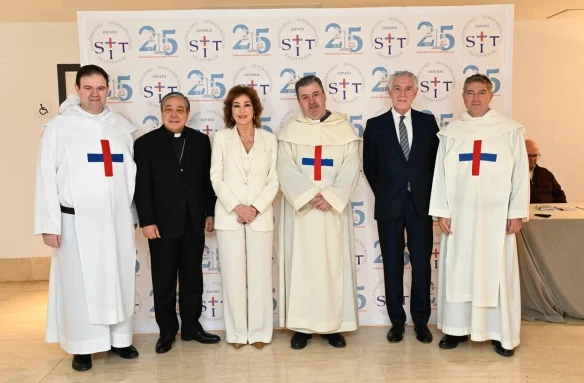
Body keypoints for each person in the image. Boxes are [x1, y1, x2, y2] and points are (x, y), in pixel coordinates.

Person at [34, 64, 139, 371]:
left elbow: (130, 177)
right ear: (77, 89)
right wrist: (49, 224)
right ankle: (83, 346)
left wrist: (132, 214)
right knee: (80, 285)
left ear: (109, 90)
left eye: (101, 88)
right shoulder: (58, 128)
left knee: (118, 278)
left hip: (117, 221)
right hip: (75, 222)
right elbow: (45, 178)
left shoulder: (122, 127)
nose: (95, 94)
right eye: (89, 88)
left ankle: (120, 340)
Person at [429, 74, 529, 357]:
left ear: (491, 95)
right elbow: (441, 175)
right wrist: (442, 211)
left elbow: (520, 174)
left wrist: (516, 211)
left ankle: (499, 333)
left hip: (496, 218)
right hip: (460, 218)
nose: (476, 98)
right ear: (463, 97)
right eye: (470, 93)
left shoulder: (509, 131)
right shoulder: (451, 132)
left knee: (496, 272)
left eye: (481, 92)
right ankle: (455, 329)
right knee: (458, 269)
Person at [277, 75, 361, 349]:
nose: (311, 101)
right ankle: (302, 327)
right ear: (298, 101)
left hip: (332, 211)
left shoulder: (343, 129)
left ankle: (332, 326)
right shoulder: (291, 131)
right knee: (302, 267)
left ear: (324, 95)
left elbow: (351, 166)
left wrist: (333, 196)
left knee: (332, 265)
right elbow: (285, 167)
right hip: (303, 212)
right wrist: (309, 195)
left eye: (315, 95)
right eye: (305, 97)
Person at [133, 92, 220, 354]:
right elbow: (142, 187)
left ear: (188, 113)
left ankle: (192, 327)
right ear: (161, 112)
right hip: (161, 226)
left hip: (194, 222)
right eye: (168, 109)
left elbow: (208, 182)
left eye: (180, 110)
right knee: (164, 280)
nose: (174, 114)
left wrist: (210, 212)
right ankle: (167, 331)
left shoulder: (200, 141)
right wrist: (147, 221)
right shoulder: (146, 143)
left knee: (193, 279)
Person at [363, 71, 439, 344]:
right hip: (389, 206)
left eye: (408, 88)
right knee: (393, 265)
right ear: (389, 92)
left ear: (416, 92)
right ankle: (396, 321)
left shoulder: (429, 123)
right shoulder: (375, 125)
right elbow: (369, 167)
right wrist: (387, 193)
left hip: (420, 206)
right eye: (397, 88)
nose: (402, 93)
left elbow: (434, 165)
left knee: (421, 264)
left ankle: (421, 321)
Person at [210, 85, 279, 349]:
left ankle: (261, 333)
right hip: (230, 217)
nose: (241, 111)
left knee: (261, 276)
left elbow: (274, 179)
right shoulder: (221, 138)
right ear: (230, 111)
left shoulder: (270, 139)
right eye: (236, 106)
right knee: (233, 276)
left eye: (246, 105)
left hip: (260, 217)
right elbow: (216, 177)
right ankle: (237, 334)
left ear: (255, 109)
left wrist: (256, 208)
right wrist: (238, 207)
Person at [525, 139, 567, 203]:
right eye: (529, 156)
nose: (533, 159)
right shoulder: (513, 174)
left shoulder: (546, 174)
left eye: (535, 155)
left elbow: (559, 194)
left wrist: (557, 209)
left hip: (549, 211)